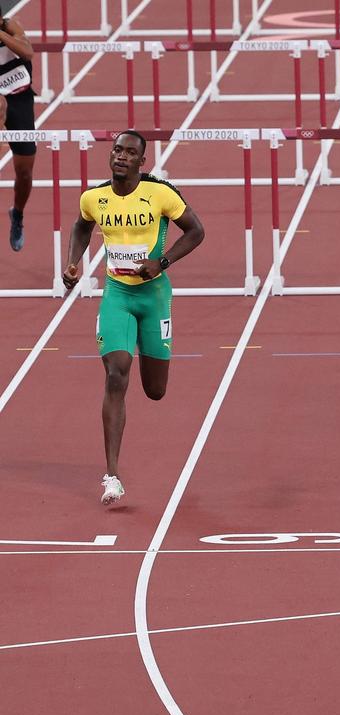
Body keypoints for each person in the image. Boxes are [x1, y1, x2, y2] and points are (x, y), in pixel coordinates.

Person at [62, 130, 205, 504]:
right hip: (118, 296)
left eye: (129, 153)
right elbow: (81, 226)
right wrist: (73, 262)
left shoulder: (160, 194)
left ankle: (145, 342)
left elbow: (196, 230)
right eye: (117, 150)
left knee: (155, 391)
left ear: (142, 162)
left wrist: (162, 261)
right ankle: (111, 474)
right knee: (115, 373)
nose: (121, 157)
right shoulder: (94, 198)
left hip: (154, 297)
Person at [0, 12, 36, 251]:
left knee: (24, 173)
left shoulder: (10, 26)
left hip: (20, 99)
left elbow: (28, 52)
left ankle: (18, 215)